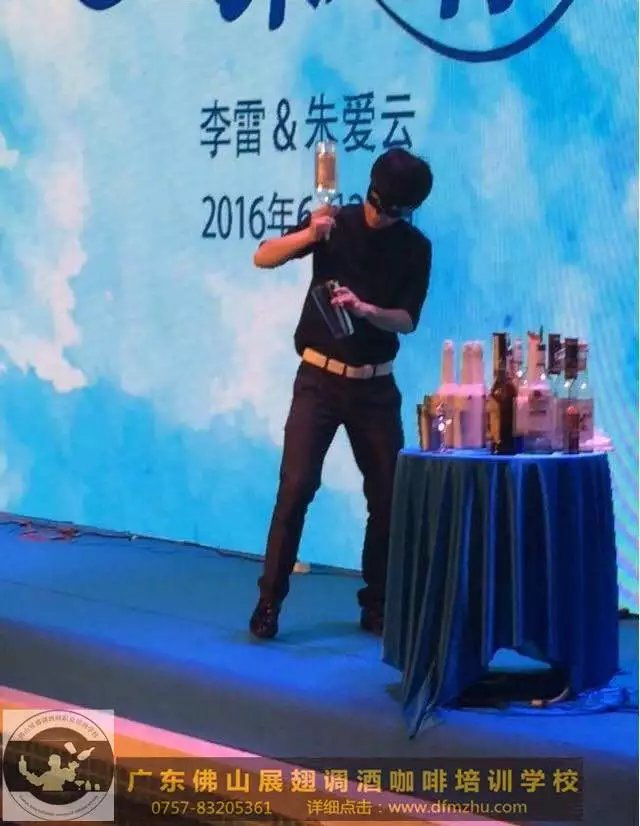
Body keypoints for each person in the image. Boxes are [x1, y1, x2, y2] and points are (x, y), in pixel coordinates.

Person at [250, 148, 433, 639]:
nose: (378, 215)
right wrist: (309, 235)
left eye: (390, 211)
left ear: (407, 211)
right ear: (369, 190)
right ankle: (268, 601)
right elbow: (262, 256)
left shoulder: (415, 248)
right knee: (296, 487)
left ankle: (377, 604)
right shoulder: (335, 222)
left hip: (375, 386)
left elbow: (407, 320)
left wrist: (365, 309)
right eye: (375, 203)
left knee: (388, 496)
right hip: (319, 380)